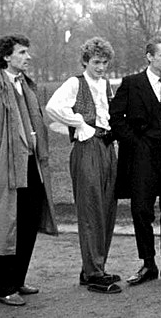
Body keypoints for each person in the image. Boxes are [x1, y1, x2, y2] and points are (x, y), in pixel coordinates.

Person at [0, 35, 58, 306]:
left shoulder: (26, 85)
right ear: (7, 57)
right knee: (7, 225)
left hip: (32, 166)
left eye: (27, 52)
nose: (28, 57)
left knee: (28, 223)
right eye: (22, 52)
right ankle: (5, 288)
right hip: (6, 170)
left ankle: (18, 280)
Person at [109, 36, 161, 287]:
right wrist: (136, 143)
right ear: (150, 57)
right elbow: (116, 119)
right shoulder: (131, 84)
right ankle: (148, 263)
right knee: (141, 210)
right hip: (142, 158)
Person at [45, 37, 121, 294]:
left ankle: (94, 266)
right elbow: (53, 108)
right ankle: (94, 273)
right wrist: (79, 124)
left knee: (107, 207)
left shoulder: (105, 84)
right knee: (91, 210)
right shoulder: (75, 83)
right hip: (87, 148)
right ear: (86, 61)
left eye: (105, 62)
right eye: (96, 62)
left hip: (107, 147)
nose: (101, 67)